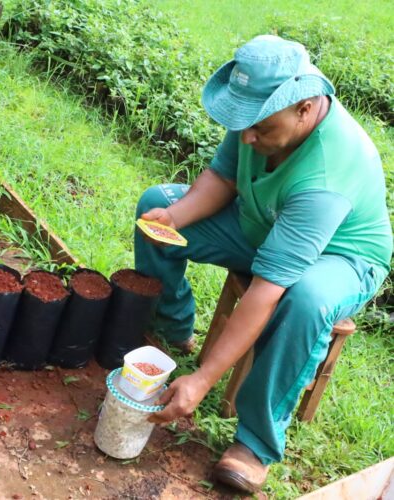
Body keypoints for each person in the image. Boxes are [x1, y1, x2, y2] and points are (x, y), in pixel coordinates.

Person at [134, 35, 392, 493]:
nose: (248, 138)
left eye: (261, 130)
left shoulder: (328, 174)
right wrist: (174, 217)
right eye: (244, 125)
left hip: (342, 255)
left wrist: (203, 380)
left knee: (306, 299)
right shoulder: (259, 117)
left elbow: (267, 290)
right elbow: (223, 176)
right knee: (157, 203)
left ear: (306, 108)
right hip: (265, 223)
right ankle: (171, 327)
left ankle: (255, 443)